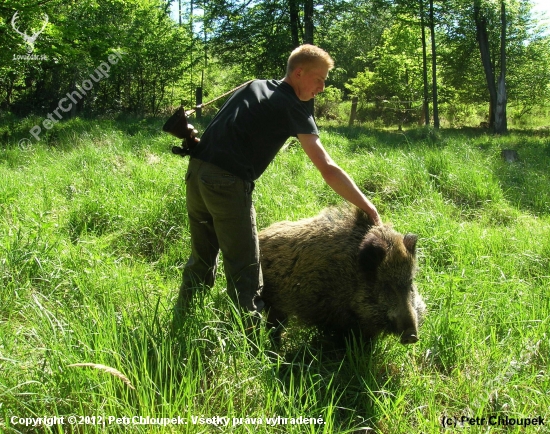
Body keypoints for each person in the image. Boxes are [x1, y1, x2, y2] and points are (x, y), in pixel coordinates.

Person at [174, 44, 381, 326]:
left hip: (197, 174)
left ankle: (182, 320)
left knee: (201, 258)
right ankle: (249, 343)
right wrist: (367, 206)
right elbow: (328, 168)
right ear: (299, 73)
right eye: (319, 80)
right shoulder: (291, 107)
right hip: (226, 184)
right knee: (245, 268)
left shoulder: (255, 86)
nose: (321, 88)